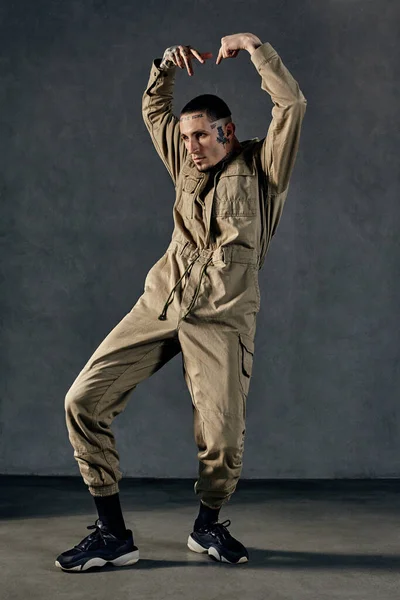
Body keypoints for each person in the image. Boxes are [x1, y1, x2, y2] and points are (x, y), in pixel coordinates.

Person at [55, 32, 307, 571]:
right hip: (162, 302)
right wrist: (164, 65)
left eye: (201, 136)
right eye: (186, 137)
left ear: (228, 132)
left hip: (222, 319)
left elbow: (292, 104)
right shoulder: (183, 160)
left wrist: (257, 50)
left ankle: (207, 526)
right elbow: (155, 108)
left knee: (221, 441)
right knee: (83, 400)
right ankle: (112, 534)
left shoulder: (265, 172)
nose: (189, 145)